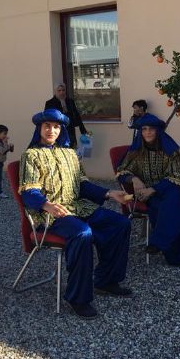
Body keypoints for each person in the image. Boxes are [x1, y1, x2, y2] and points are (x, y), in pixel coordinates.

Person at [19, 109, 132, 320]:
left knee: (119, 223)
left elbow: (83, 186)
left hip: (78, 207)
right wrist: (46, 205)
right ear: (39, 128)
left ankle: (106, 280)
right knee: (82, 233)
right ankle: (78, 298)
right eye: (47, 126)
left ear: (61, 129)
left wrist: (108, 193)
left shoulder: (71, 154)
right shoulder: (31, 155)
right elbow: (28, 191)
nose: (51, 130)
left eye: (56, 127)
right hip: (51, 215)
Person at [116, 113, 180, 269]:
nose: (148, 132)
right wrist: (134, 179)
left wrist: (154, 188)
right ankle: (179, 257)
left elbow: (178, 177)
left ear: (158, 131)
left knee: (170, 202)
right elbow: (121, 171)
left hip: (171, 187)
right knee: (162, 209)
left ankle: (158, 241)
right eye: (144, 129)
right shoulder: (136, 151)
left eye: (151, 129)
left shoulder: (171, 150)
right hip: (147, 192)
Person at [44, 83, 88, 148]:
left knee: (71, 150)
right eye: (59, 90)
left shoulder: (70, 101)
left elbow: (77, 115)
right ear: (55, 91)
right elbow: (47, 119)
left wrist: (83, 131)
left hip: (70, 132)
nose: (61, 92)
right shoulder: (50, 103)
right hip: (57, 133)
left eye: (63, 90)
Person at [0, 124, 14, 198]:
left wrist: (11, 147)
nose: (5, 136)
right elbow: (3, 151)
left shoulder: (0, 142)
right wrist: (6, 143)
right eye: (4, 134)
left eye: (6, 134)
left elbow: (8, 150)